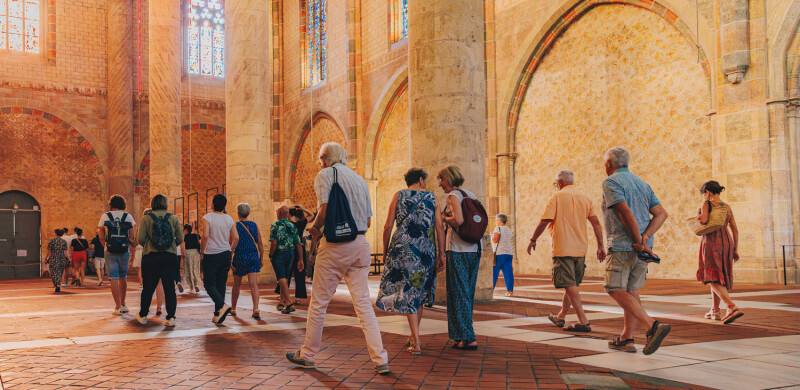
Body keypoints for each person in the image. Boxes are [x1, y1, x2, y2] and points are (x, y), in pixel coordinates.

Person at [285, 142, 390, 375]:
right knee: (363, 304)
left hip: (335, 246)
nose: (320, 163)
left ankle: (308, 354)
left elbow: (323, 208)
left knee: (320, 303)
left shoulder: (325, 174)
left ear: (325, 159)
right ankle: (380, 359)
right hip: (361, 243)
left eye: (321, 159)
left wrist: (313, 229)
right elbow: (369, 221)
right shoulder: (360, 180)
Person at [601, 146, 671, 355]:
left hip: (624, 245)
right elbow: (661, 214)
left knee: (614, 288)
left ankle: (652, 326)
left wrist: (638, 240)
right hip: (642, 249)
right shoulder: (642, 184)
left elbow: (625, 213)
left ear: (608, 164)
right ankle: (626, 338)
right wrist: (646, 238)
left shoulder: (611, 181)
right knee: (631, 290)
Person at [376, 168, 445, 355]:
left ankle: (416, 341)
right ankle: (414, 336)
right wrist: (441, 254)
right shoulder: (432, 198)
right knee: (419, 291)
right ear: (421, 180)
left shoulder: (399, 195)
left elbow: (388, 226)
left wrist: (385, 250)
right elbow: (439, 227)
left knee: (408, 291)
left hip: (403, 249)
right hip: (425, 249)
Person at [528, 170, 606, 332]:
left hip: (563, 248)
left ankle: (583, 321)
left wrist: (533, 239)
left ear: (560, 182)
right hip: (580, 248)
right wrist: (600, 245)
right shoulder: (585, 198)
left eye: (556, 183)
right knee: (572, 284)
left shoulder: (556, 197)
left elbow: (545, 221)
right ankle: (561, 315)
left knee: (569, 284)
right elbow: (596, 223)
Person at [438, 165, 482, 351]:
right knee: (465, 293)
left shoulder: (454, 196)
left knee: (459, 293)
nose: (440, 184)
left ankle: (468, 337)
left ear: (451, 178)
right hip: (473, 249)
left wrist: (442, 219)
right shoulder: (470, 194)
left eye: (442, 179)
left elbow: (458, 220)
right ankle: (458, 335)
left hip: (458, 249)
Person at [695, 181, 744, 324]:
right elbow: (734, 228)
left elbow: (703, 220)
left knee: (711, 276)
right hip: (726, 242)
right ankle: (715, 310)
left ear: (708, 192)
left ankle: (731, 307)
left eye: (704, 193)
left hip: (712, 241)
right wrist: (735, 249)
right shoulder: (727, 207)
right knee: (717, 275)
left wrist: (698, 215)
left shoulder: (707, 204)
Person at [134, 194, 184, 327]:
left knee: (148, 287)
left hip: (151, 257)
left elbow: (141, 239)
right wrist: (171, 245)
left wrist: (151, 244)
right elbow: (180, 237)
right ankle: (171, 317)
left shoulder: (146, 218)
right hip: (169, 256)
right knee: (169, 288)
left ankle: (143, 315)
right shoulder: (173, 218)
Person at [200, 193, 239, 325]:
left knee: (209, 284)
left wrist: (201, 251)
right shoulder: (229, 218)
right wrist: (230, 250)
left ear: (212, 204)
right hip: (225, 254)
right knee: (221, 284)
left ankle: (222, 305)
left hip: (211, 254)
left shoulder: (207, 217)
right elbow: (236, 238)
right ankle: (218, 314)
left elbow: (205, 236)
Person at [97, 195, 136, 315]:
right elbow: (132, 236)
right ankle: (124, 304)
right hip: (124, 250)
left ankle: (117, 306)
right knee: (123, 277)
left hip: (110, 250)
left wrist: (105, 243)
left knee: (113, 277)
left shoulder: (105, 216)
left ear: (111, 204)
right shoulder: (128, 216)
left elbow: (100, 232)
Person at [231, 203, 265, 319]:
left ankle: (233, 308)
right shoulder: (254, 225)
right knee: (253, 283)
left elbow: (231, 243)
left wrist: (229, 259)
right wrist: (261, 258)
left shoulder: (235, 225)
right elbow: (260, 243)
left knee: (237, 283)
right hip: (253, 256)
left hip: (240, 256)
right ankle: (255, 308)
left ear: (238, 213)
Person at [275, 205, 313, 304]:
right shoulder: (301, 223)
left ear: (288, 214)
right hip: (300, 249)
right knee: (300, 274)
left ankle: (282, 295)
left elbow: (278, 213)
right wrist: (302, 208)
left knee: (285, 273)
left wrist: (288, 207)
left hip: (289, 248)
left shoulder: (286, 224)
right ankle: (298, 298)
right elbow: (311, 215)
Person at [269, 205, 304, 314]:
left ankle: (289, 302)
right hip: (291, 253)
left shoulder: (275, 225)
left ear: (279, 214)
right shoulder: (292, 225)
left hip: (279, 253)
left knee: (281, 277)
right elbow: (298, 243)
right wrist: (301, 259)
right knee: (285, 277)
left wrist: (271, 254)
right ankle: (281, 302)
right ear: (287, 214)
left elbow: (274, 242)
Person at [492, 213, 515, 296]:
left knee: (494, 272)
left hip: (499, 254)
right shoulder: (509, 229)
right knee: (508, 272)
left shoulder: (497, 228)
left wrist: (491, 236)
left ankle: (490, 291)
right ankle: (510, 291)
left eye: (496, 220)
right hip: (509, 253)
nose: (495, 222)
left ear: (499, 221)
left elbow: (495, 240)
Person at [181, 224, 202, 293]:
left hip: (188, 253)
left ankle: (191, 288)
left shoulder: (185, 237)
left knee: (189, 270)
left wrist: (183, 254)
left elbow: (183, 246)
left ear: (186, 230)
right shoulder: (196, 235)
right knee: (195, 269)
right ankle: (196, 285)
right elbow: (200, 243)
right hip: (196, 253)